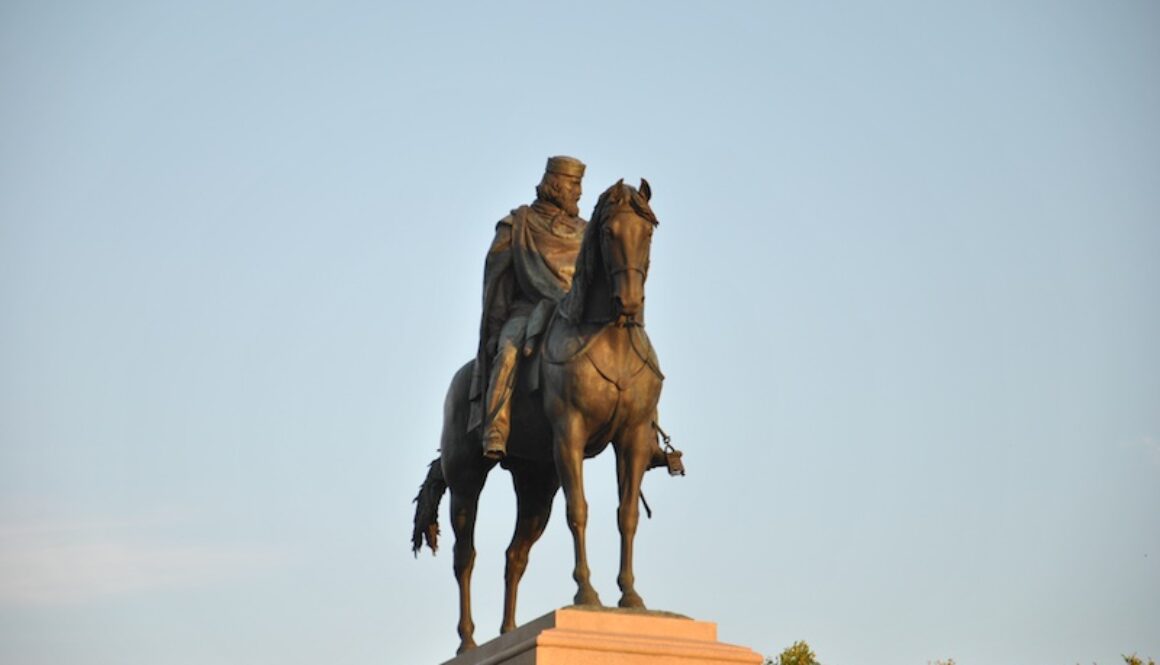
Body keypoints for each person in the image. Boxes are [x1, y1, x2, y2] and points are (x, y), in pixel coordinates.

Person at [468, 156, 587, 460]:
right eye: (574, 185)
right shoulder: (517, 225)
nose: (579, 192)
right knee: (508, 352)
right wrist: (494, 330)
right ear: (556, 185)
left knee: (629, 351)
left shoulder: (587, 232)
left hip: (575, 314)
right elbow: (497, 284)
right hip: (527, 311)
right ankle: (496, 425)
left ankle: (649, 432)